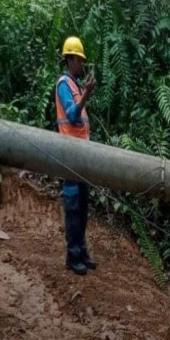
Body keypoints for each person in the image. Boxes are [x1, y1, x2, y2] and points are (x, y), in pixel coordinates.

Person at [55, 36, 97, 275]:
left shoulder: (76, 85)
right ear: (69, 59)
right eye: (79, 60)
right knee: (72, 205)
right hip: (69, 154)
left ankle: (82, 252)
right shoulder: (64, 84)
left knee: (82, 206)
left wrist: (85, 92)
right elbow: (71, 115)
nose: (81, 65)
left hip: (81, 155)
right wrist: (86, 94)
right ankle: (73, 257)